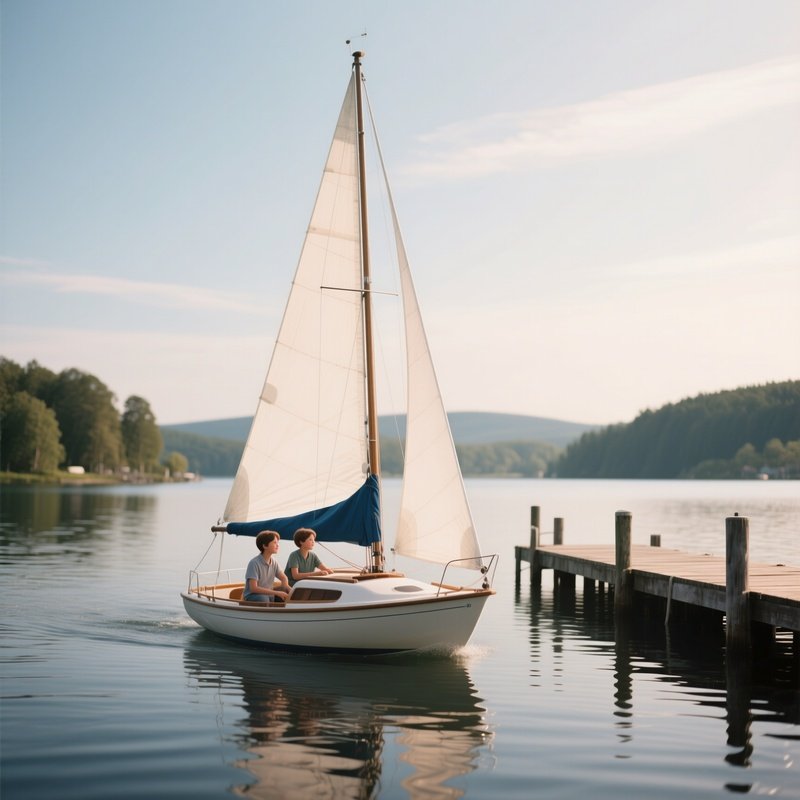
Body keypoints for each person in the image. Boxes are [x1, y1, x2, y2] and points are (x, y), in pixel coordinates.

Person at [243, 530, 291, 602]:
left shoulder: (274, 562)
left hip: (269, 594)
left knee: (286, 592)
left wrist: (286, 587)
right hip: (253, 595)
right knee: (264, 599)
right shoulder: (254, 563)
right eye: (274, 542)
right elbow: (253, 588)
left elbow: (284, 577)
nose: (277, 545)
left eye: (277, 542)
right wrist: (276, 592)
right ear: (265, 546)